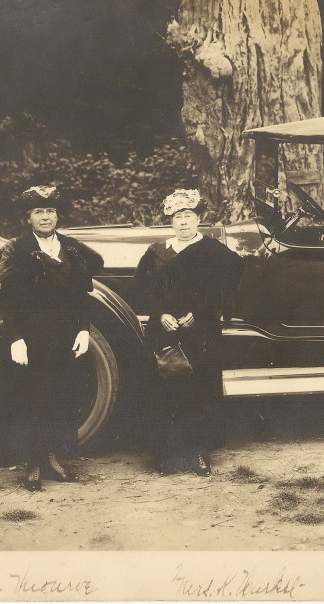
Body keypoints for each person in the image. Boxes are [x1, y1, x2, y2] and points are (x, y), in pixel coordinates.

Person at [0, 185, 103, 491]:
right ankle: (33, 463)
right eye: (39, 212)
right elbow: (7, 301)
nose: (45, 217)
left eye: (50, 211)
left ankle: (52, 458)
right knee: (30, 398)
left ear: (57, 216)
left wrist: (84, 330)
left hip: (64, 336)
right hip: (30, 337)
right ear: (28, 218)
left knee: (60, 397)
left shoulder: (71, 248)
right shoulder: (17, 249)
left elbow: (83, 294)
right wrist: (15, 338)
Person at [134, 189, 245, 476]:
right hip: (166, 333)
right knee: (166, 390)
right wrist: (162, 314)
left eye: (189, 216)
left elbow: (228, 283)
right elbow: (143, 289)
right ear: (170, 221)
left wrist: (202, 310)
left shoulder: (214, 251)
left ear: (199, 219)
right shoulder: (157, 252)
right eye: (177, 217)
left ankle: (199, 453)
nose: (183, 222)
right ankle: (167, 456)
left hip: (200, 334)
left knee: (199, 392)